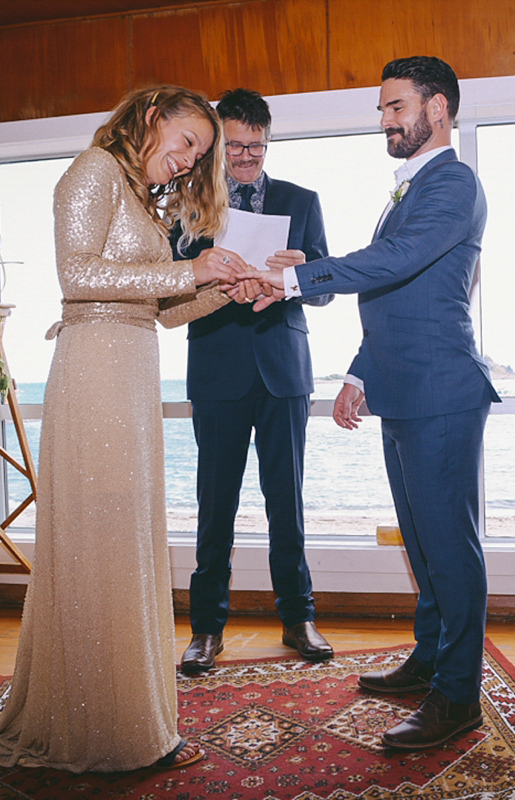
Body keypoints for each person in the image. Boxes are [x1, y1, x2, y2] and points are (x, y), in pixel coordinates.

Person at [0, 85, 250, 773]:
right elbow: (78, 275)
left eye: (198, 154)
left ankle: (126, 720)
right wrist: (190, 265)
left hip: (131, 368)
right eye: (185, 143)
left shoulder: (141, 198)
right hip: (95, 374)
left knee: (123, 543)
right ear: (150, 118)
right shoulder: (92, 171)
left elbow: (158, 311)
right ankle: (100, 729)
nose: (186, 161)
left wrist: (217, 291)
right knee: (100, 542)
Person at [239, 56, 498, 751]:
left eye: (396, 107)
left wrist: (301, 276)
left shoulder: (452, 183)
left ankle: (457, 698)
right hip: (403, 389)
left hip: (442, 391)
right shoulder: (409, 189)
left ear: (437, 108)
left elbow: (394, 262)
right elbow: (398, 296)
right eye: (382, 109)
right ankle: (429, 658)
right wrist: (358, 374)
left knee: (450, 548)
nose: (385, 120)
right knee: (422, 542)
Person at [170, 88, 334, 673]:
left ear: (268, 141)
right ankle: (206, 630)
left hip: (284, 371)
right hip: (216, 372)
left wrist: (301, 274)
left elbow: (328, 286)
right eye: (234, 146)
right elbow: (168, 288)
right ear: (217, 142)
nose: (245, 157)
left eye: (256, 147)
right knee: (215, 505)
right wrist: (210, 278)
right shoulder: (188, 203)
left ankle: (299, 619)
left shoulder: (302, 200)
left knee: (286, 503)